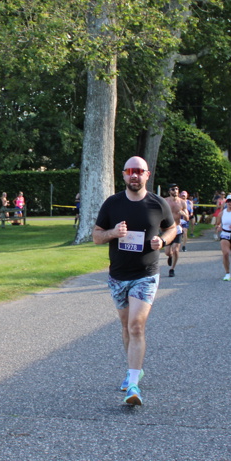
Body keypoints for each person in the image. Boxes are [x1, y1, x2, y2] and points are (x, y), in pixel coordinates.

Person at [93, 156, 175, 406]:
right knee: (126, 326)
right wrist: (113, 233)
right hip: (118, 276)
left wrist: (163, 240)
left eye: (139, 171)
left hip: (145, 274)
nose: (134, 175)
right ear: (124, 175)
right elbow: (96, 236)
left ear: (147, 175)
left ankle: (133, 385)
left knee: (136, 326)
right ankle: (134, 370)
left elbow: (172, 228)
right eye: (130, 171)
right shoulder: (112, 203)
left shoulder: (158, 204)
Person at [162, 183, 185, 277]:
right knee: (167, 252)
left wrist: (184, 214)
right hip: (167, 229)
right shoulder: (164, 201)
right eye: (173, 189)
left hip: (177, 228)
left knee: (176, 249)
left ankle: (172, 269)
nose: (175, 191)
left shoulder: (182, 202)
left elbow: (188, 217)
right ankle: (170, 256)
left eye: (176, 189)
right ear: (169, 191)